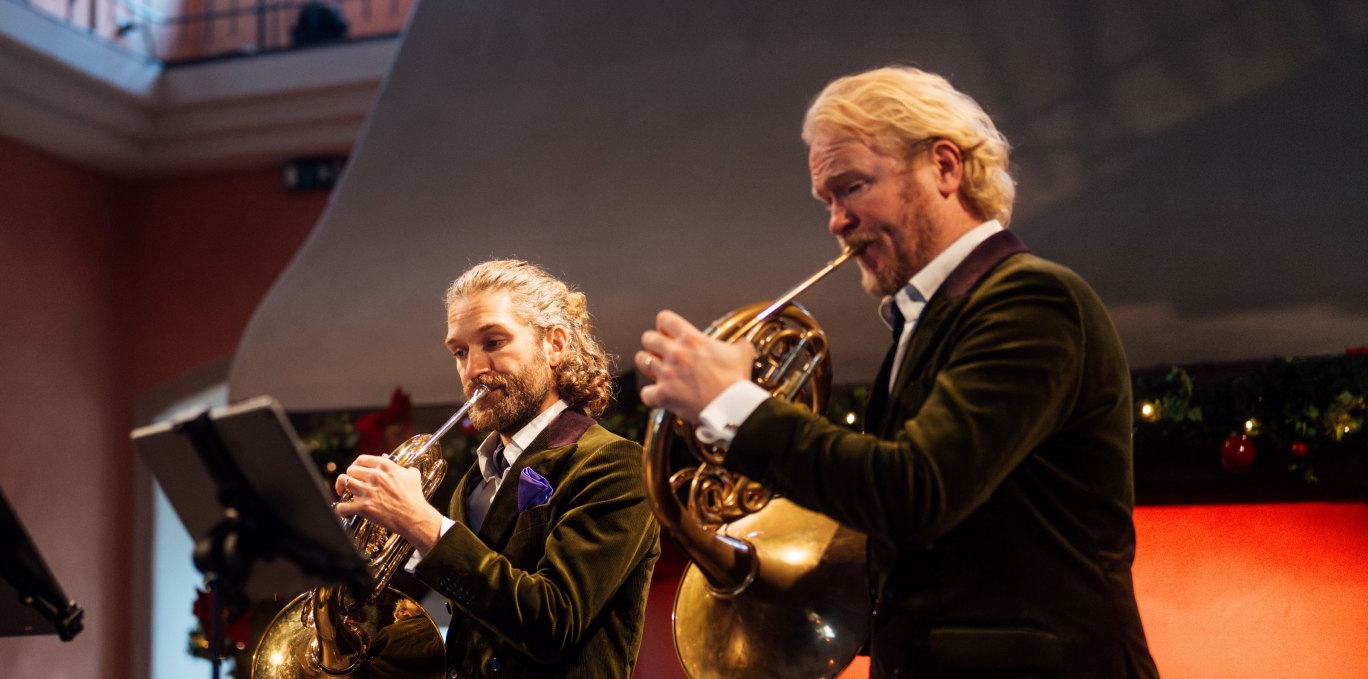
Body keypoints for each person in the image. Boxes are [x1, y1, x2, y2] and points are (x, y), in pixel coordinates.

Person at [636, 65, 1158, 678]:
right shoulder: (924, 322)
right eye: (828, 200)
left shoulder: (1032, 301)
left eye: (853, 187)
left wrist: (734, 405)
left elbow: (915, 492)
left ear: (944, 166)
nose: (836, 221)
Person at [334, 260, 660, 678]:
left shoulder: (613, 462)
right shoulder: (472, 481)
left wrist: (421, 523)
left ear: (554, 345)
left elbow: (552, 623)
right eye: (460, 351)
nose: (474, 370)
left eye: (493, 341)